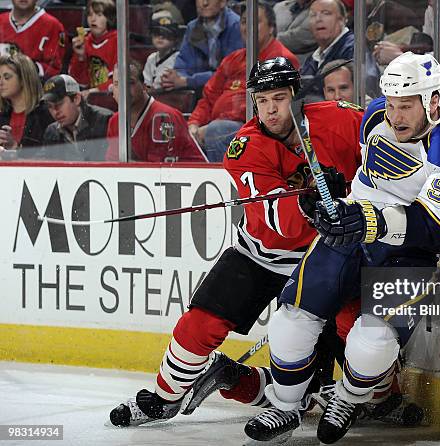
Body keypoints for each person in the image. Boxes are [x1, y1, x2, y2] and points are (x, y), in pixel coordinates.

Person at [243, 52, 440, 444]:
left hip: (410, 252)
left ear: (434, 101)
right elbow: (365, 175)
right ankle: (284, 406)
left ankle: (347, 397)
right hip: (353, 233)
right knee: (290, 321)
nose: (394, 116)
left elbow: (437, 231)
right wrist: (339, 192)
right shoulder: (374, 115)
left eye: (406, 107)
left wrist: (374, 221)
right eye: (390, 104)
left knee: (371, 344)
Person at [108, 57, 363, 427]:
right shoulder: (245, 147)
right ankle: (163, 397)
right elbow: (279, 224)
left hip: (328, 258)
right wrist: (309, 201)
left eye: (279, 98)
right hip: (262, 256)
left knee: (323, 375)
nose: (271, 109)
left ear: (296, 96)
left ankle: (234, 377)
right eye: (262, 100)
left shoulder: (341, 118)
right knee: (199, 324)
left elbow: (389, 136)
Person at [187, 3, 299, 162]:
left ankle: (227, 182)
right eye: (245, 22)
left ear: (271, 28)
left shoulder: (280, 60)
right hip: (220, 127)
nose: (249, 27)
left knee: (218, 130)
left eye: (256, 21)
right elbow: (209, 97)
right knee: (183, 133)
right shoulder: (233, 59)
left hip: (261, 130)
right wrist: (194, 124)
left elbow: (268, 107)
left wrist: (212, 127)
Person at [105, 62, 205, 162]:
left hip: (186, 176)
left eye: (130, 83)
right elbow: (113, 164)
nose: (123, 89)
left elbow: (160, 168)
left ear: (145, 87)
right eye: (117, 84)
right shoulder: (115, 121)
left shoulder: (166, 118)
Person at [298, 0, 379, 102]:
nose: (318, 19)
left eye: (326, 13)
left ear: (342, 20)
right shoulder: (313, 58)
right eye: (313, 15)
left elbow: (368, 87)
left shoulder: (354, 49)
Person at [160, 0, 243, 92]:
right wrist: (173, 79)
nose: (204, 3)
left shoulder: (237, 26)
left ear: (223, 2)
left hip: (228, 91)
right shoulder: (192, 27)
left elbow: (229, 74)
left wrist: (189, 81)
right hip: (200, 92)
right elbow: (182, 66)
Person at [40, 74, 113, 161]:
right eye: (50, 107)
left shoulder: (105, 121)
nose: (55, 111)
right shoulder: (51, 132)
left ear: (76, 99)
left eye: (59, 104)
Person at [0, 53, 53, 158]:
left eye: (7, 77)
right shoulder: (2, 115)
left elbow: (48, 156)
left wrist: (15, 147)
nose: (0, 82)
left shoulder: (46, 113)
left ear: (24, 79)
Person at [0, 0, 66, 79]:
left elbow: (55, 69)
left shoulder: (55, 26)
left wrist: (29, 67)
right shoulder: (1, 20)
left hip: (36, 88)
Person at [69, 0, 117, 95]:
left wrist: (94, 91)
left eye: (99, 15)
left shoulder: (117, 40)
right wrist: (80, 57)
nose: (93, 19)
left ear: (109, 18)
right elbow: (80, 82)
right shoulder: (84, 41)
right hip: (88, 97)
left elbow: (118, 81)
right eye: (90, 15)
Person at [143, 11, 181, 90]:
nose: (160, 37)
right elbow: (147, 84)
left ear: (175, 38)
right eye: (156, 33)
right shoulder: (151, 58)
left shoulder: (179, 58)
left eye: (166, 34)